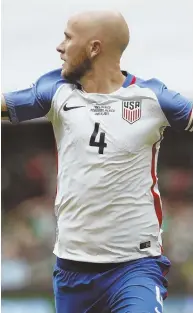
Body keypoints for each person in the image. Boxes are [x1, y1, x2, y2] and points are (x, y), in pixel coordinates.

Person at [1, 9, 193, 313]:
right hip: (72, 272)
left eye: (67, 37)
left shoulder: (153, 97)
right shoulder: (54, 92)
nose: (59, 47)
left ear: (94, 48)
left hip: (135, 268)